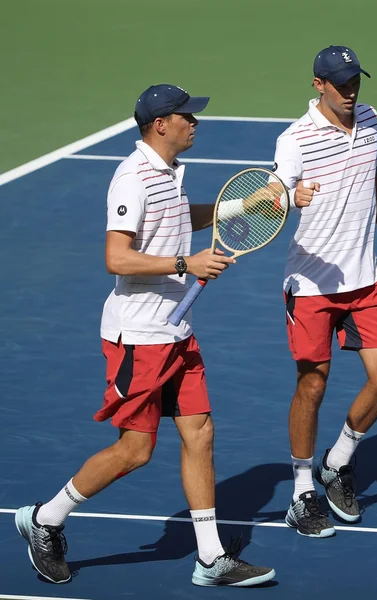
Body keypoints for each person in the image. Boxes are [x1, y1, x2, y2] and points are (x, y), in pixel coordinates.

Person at [15, 83, 275, 587]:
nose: (194, 122)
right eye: (186, 116)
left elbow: (180, 218)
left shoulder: (170, 172)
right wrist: (187, 262)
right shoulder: (131, 178)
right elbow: (117, 258)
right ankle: (45, 519)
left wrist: (245, 206)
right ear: (160, 124)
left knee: (199, 432)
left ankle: (209, 557)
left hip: (175, 329)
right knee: (135, 450)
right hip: (138, 336)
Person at [272, 46, 377, 537]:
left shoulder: (369, 120)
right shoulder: (295, 140)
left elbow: (371, 177)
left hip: (364, 278)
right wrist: (290, 195)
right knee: (313, 384)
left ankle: (338, 460)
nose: (351, 91)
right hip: (311, 286)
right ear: (317, 85)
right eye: (341, 83)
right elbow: (272, 197)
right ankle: (302, 490)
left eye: (355, 81)